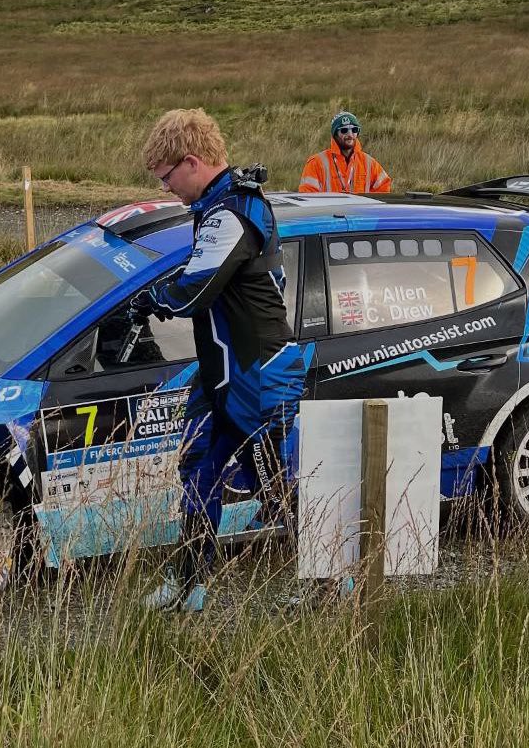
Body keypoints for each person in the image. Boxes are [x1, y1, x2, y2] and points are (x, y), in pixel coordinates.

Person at [130, 108, 306, 612]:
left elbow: (191, 291)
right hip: (223, 371)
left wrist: (146, 300)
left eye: (167, 178)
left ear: (191, 162)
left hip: (259, 372)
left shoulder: (232, 211)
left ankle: (330, 579)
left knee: (275, 482)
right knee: (198, 469)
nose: (167, 189)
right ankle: (191, 584)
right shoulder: (219, 206)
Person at [298, 111, 392, 194]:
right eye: (344, 130)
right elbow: (307, 197)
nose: (350, 135)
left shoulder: (369, 163)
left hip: (360, 214)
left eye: (354, 130)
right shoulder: (316, 163)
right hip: (328, 214)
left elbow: (384, 190)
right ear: (335, 135)